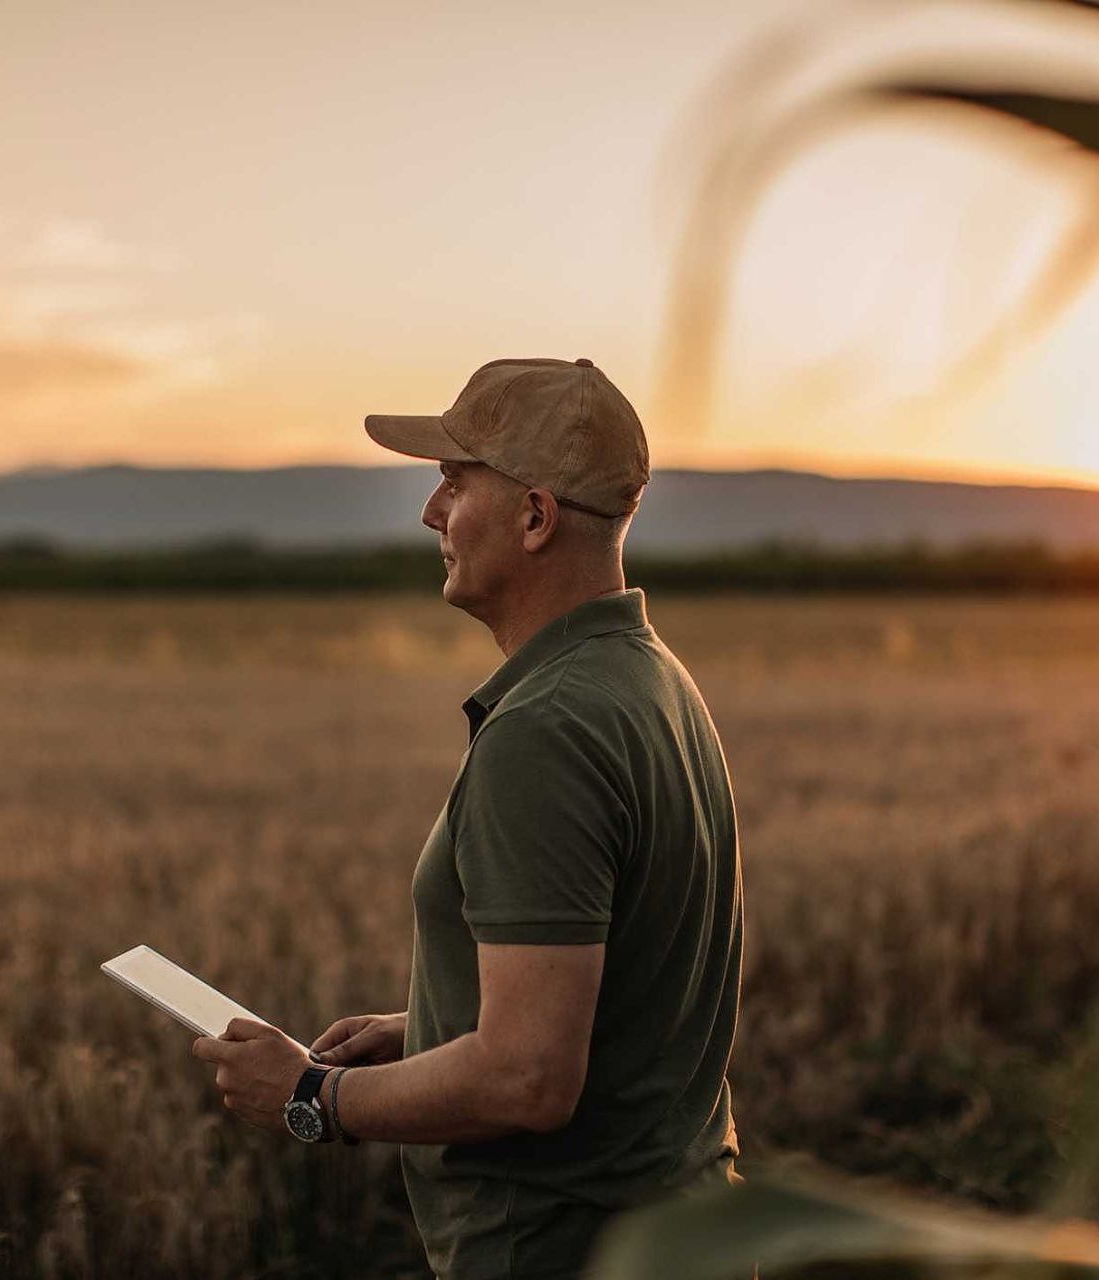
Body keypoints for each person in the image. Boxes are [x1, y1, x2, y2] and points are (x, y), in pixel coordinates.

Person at [190, 356, 745, 1280]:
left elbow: (529, 1079)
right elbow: (627, 997)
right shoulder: (651, 680)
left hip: (562, 1251)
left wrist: (315, 1095)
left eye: (454, 481)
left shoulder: (549, 730)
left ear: (534, 516)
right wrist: (432, 1025)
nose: (430, 513)